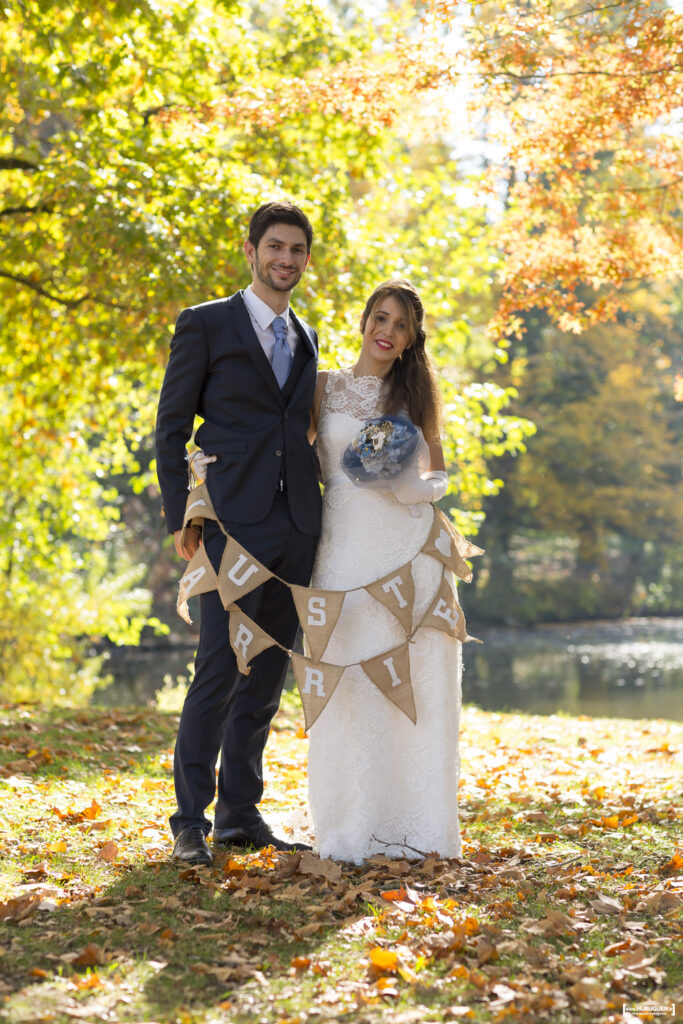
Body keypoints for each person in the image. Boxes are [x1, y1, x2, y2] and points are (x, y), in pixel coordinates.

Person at [155, 200, 321, 866]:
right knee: (219, 669)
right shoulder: (204, 324)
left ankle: (238, 814)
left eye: (297, 251)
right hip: (226, 525)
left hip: (295, 530)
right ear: (250, 251)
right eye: (275, 247)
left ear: (306, 259)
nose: (285, 259)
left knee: (268, 673)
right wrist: (179, 518)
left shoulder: (306, 337)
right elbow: (170, 430)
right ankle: (189, 821)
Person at [305, 279, 460, 862]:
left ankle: (418, 831)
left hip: (404, 559)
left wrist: (406, 483)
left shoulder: (414, 397)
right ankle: (348, 831)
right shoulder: (323, 386)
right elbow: (293, 457)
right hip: (341, 555)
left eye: (401, 326)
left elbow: (438, 477)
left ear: (412, 338)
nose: (387, 332)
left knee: (411, 685)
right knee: (347, 682)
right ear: (364, 319)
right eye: (381, 317)